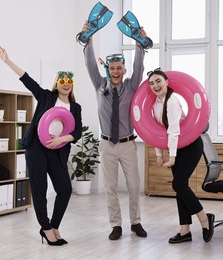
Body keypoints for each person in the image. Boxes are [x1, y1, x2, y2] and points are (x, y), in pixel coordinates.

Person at [0, 46, 82, 246]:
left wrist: (61, 139)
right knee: (40, 188)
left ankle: (54, 225)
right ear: (56, 84)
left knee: (65, 189)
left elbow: (76, 132)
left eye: (69, 82)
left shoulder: (75, 107)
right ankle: (45, 228)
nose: (66, 85)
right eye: (62, 81)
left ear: (72, 84)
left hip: (57, 151)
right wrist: (7, 61)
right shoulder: (46, 97)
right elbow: (27, 79)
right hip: (37, 147)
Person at [80, 22, 148, 240]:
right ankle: (116, 225)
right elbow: (90, 63)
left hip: (128, 144)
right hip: (107, 144)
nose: (116, 71)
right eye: (112, 68)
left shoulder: (131, 85)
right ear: (107, 70)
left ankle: (135, 222)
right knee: (110, 187)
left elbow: (139, 68)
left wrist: (139, 44)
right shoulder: (99, 85)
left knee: (133, 185)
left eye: (119, 68)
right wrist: (88, 39)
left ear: (124, 70)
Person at [147, 68, 215, 243]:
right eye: (152, 83)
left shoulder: (172, 100)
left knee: (178, 183)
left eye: (158, 81)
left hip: (191, 144)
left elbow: (174, 130)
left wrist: (172, 157)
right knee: (180, 186)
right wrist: (159, 154)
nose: (155, 85)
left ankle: (204, 219)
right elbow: (156, 132)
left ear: (166, 82)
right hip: (177, 146)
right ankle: (185, 230)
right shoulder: (154, 106)